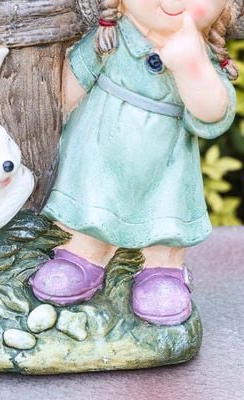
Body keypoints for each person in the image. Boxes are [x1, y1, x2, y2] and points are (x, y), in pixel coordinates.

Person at [30, 0, 238, 325]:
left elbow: (212, 116)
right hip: (98, 152)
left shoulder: (199, 52)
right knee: (92, 202)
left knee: (164, 215)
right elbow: (66, 90)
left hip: (165, 165)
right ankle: (81, 254)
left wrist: (191, 67)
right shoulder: (110, 39)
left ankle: (160, 270)